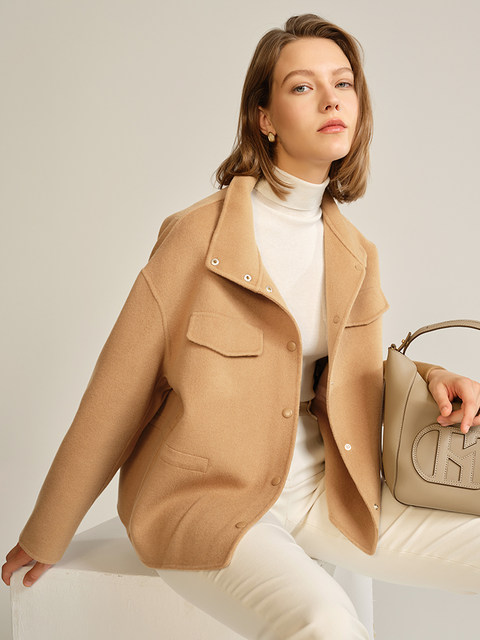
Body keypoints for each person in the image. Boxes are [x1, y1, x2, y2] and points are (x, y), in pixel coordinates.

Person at [3, 13, 480, 639]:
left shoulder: (356, 251)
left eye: (343, 83)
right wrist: (48, 530)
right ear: (264, 117)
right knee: (325, 624)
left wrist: (434, 375)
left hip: (327, 494)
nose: (332, 99)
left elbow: (356, 370)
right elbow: (119, 391)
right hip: (208, 498)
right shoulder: (195, 236)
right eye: (303, 86)